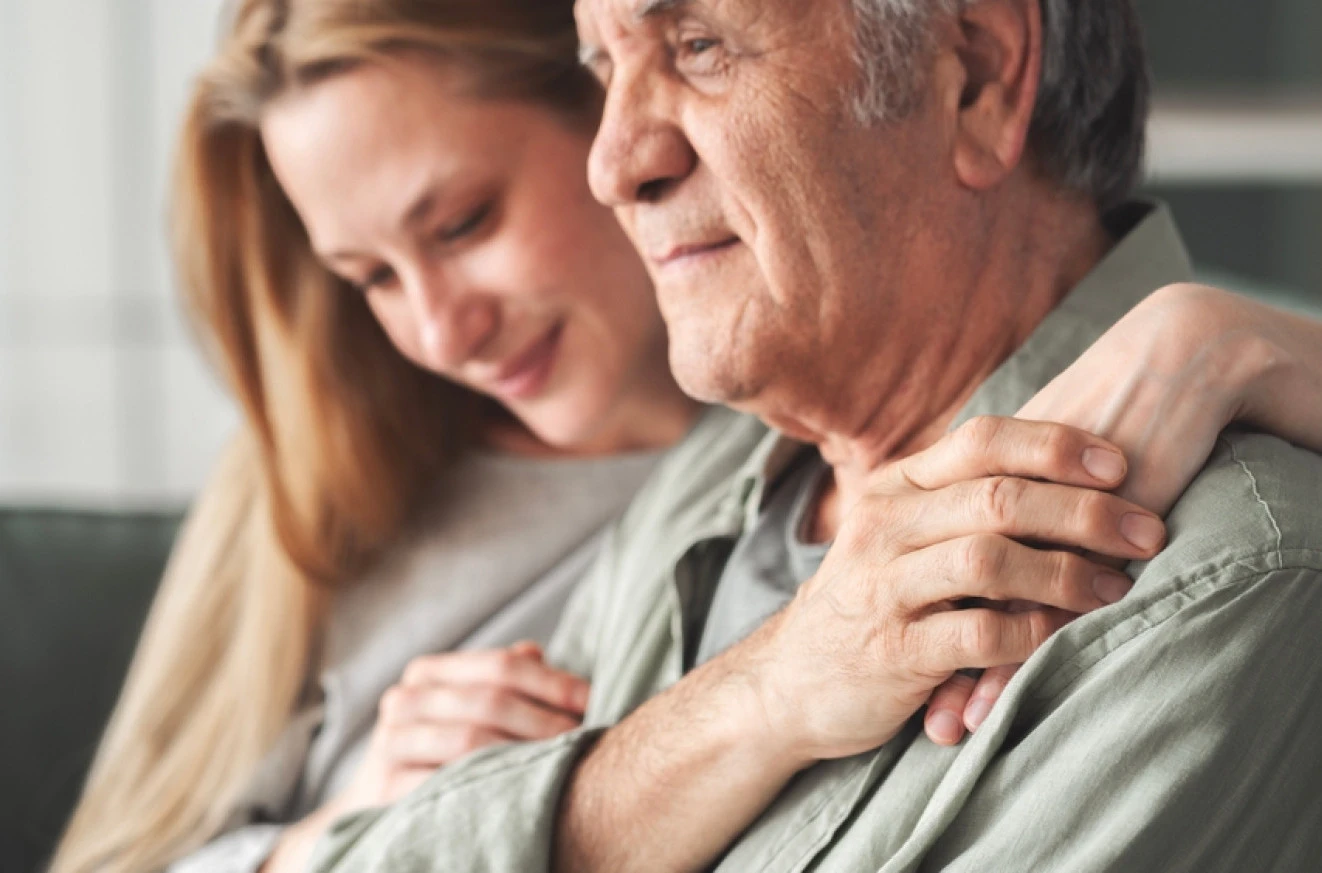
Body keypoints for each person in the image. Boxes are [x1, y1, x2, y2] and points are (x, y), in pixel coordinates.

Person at [300, 1, 1322, 872]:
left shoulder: (1221, 576)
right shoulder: (710, 482)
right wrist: (766, 689)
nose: (611, 163)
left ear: (974, 77)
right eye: (604, 68)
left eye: (698, 44)